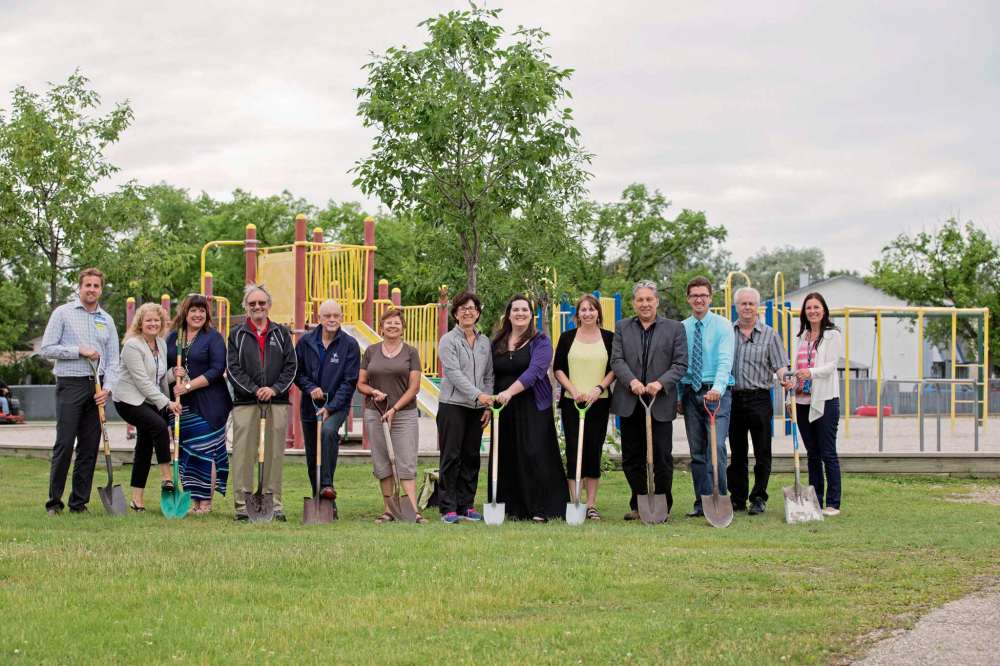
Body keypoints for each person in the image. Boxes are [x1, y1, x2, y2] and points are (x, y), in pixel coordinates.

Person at [40, 267, 120, 515]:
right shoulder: (63, 314)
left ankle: (79, 503)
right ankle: (55, 502)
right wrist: (78, 350)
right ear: (80, 287)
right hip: (70, 384)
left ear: (100, 289)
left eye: (96, 286)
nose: (92, 290)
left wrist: (107, 390)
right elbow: (46, 349)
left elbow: (113, 360)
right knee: (64, 444)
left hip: (96, 387)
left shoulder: (106, 320)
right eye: (88, 285)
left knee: (88, 447)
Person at [611, 280, 688, 520]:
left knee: (662, 457)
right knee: (632, 457)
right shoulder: (623, 327)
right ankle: (639, 503)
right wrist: (631, 381)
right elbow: (617, 360)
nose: (645, 304)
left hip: (659, 402)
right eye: (640, 300)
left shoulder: (674, 328)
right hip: (631, 400)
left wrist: (660, 383)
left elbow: (680, 364)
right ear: (634, 303)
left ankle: (663, 504)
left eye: (649, 299)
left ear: (657, 301)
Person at [492, 294, 568, 522]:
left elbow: (535, 372)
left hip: (533, 404)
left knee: (534, 453)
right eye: (515, 310)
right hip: (503, 408)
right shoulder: (497, 342)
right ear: (508, 314)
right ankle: (512, 507)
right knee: (508, 453)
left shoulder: (540, 341)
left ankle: (540, 508)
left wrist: (509, 392)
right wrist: (489, 401)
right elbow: (490, 373)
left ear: (531, 314)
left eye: (525, 310)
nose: (520, 313)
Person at [227, 284, 297, 522]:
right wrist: (255, 390)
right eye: (252, 303)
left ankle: (273, 503)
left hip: (276, 402)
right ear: (246, 307)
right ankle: (242, 505)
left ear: (269, 305)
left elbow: (291, 367)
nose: (257, 307)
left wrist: (274, 389)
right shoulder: (236, 334)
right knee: (243, 453)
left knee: (274, 454)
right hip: (246, 402)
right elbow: (233, 368)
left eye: (262, 303)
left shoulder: (281, 333)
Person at [727, 287, 795, 516]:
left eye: (751, 304)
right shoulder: (728, 333)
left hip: (759, 398)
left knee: (762, 451)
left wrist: (786, 379)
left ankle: (758, 497)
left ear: (758, 307)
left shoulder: (770, 335)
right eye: (743, 304)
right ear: (736, 307)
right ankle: (737, 498)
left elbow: (780, 366)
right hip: (734, 398)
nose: (747, 308)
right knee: (737, 453)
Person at [357, 308, 426, 523]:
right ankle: (389, 510)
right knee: (382, 462)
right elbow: (361, 383)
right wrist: (373, 392)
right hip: (375, 413)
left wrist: (394, 409)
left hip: (403, 414)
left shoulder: (411, 353)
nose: (392, 326)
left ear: (403, 328)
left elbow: (414, 387)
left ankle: (412, 510)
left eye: (397, 323)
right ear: (381, 327)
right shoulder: (370, 351)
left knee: (405, 461)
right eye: (388, 323)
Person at [167, 294, 233, 515]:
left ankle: (205, 503)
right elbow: (162, 367)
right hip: (180, 406)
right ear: (185, 313)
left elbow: (216, 370)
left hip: (209, 405)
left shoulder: (212, 338)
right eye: (193, 310)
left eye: (202, 311)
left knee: (205, 452)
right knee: (187, 454)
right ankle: (193, 501)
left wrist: (187, 386)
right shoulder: (174, 338)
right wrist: (172, 374)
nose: (197, 315)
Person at [113, 302, 181, 511]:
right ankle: (168, 478)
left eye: (156, 320)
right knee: (160, 427)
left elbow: (158, 378)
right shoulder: (132, 345)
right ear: (140, 323)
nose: (153, 323)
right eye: (148, 320)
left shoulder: (160, 343)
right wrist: (167, 403)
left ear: (161, 323)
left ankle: (136, 500)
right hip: (128, 400)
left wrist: (175, 374)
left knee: (144, 447)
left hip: (149, 399)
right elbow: (142, 381)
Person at [294, 299, 359, 517]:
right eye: (327, 316)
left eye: (336, 316)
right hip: (310, 405)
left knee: (329, 431)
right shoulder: (305, 342)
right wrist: (310, 387)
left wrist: (331, 407)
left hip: (336, 404)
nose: (332, 319)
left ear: (341, 317)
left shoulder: (349, 345)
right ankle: (322, 504)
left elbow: (350, 381)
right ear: (319, 319)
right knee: (313, 456)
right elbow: (296, 372)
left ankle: (327, 485)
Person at [553, 294, 615, 520]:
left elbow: (614, 368)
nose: (587, 313)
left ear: (598, 312)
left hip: (599, 402)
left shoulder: (609, 338)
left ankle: (591, 504)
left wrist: (598, 389)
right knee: (573, 451)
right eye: (583, 310)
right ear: (577, 314)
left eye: (591, 309)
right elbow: (558, 368)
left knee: (592, 451)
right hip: (573, 403)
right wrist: (573, 390)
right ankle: (575, 501)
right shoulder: (567, 337)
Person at [679, 276, 735, 518]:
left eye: (703, 295)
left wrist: (718, 389)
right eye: (694, 296)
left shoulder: (723, 326)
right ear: (688, 299)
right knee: (697, 452)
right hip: (691, 392)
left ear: (711, 298)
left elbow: (725, 361)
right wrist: (681, 396)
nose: (699, 299)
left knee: (717, 447)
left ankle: (720, 497)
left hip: (716, 393)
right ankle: (702, 501)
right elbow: (680, 365)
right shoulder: (682, 328)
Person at [436, 291, 493, 524]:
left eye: (472, 308)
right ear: (456, 314)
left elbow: (489, 375)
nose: (468, 312)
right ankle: (448, 507)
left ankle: (466, 504)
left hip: (478, 408)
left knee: (471, 456)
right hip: (453, 406)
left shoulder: (485, 341)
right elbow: (453, 374)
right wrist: (478, 395)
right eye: (463, 308)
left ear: (478, 313)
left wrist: (487, 403)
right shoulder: (448, 340)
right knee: (451, 456)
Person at [793, 291, 844, 517]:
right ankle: (815, 499)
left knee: (827, 453)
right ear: (804, 312)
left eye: (816, 307)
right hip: (802, 401)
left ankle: (833, 502)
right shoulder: (801, 336)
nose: (812, 311)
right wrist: (791, 383)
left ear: (824, 310)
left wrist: (809, 373)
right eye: (809, 308)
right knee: (812, 453)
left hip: (824, 401)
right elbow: (795, 367)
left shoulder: (832, 335)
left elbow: (831, 366)